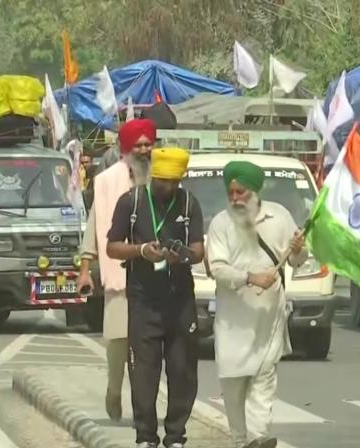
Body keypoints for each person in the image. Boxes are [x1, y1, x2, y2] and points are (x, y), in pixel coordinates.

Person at [106, 147, 205, 448]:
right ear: (153, 177)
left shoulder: (189, 203)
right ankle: (145, 436)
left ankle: (175, 436)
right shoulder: (131, 202)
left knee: (182, 370)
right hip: (143, 300)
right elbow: (112, 247)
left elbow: (199, 251)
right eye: (164, 181)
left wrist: (182, 256)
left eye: (175, 181)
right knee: (144, 373)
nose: (170, 188)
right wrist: (141, 251)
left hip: (180, 301)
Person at [206, 161, 307, 448]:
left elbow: (297, 260)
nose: (236, 198)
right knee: (235, 387)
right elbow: (218, 269)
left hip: (269, 319)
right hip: (232, 322)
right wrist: (250, 278)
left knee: (264, 381)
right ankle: (241, 441)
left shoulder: (280, 217)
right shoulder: (220, 224)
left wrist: (299, 250)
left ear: (255, 192)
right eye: (231, 192)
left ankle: (259, 438)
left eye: (242, 192)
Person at [77, 118, 157, 421]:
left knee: (148, 346)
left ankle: (142, 405)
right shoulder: (108, 181)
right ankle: (114, 389)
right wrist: (86, 268)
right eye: (138, 144)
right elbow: (94, 226)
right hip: (119, 276)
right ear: (126, 148)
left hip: (155, 276)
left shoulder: (161, 177)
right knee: (119, 342)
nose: (144, 149)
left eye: (148, 143)